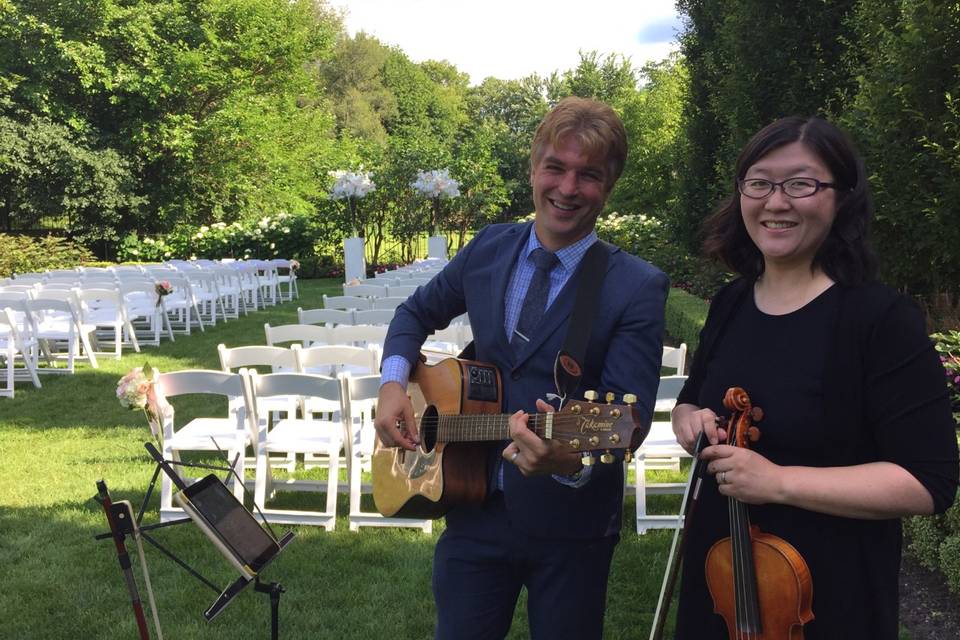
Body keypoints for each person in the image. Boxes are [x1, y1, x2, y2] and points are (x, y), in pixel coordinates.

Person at [374, 96, 669, 640]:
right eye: (555, 167)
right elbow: (415, 312)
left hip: (572, 527)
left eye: (589, 175)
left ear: (609, 186)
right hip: (473, 506)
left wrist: (565, 459)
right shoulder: (489, 246)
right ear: (534, 167)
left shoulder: (635, 285)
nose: (567, 187)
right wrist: (393, 383)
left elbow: (629, 420)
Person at [670, 116, 959, 639]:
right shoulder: (733, 302)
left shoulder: (879, 319)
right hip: (723, 583)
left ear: (841, 197)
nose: (775, 202)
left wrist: (780, 482)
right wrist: (691, 422)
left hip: (830, 599)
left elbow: (928, 481)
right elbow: (692, 399)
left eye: (801, 184)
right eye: (759, 183)